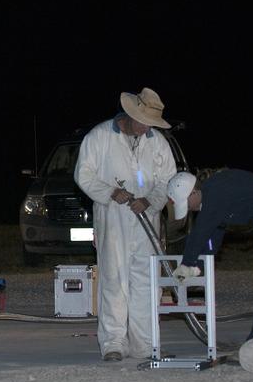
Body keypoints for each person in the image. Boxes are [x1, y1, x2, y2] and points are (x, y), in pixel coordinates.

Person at [73, 87, 177, 361]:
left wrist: (151, 200)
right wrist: (110, 192)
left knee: (146, 282)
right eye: (144, 122)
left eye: (151, 124)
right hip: (113, 217)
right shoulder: (100, 137)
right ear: (130, 115)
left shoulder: (157, 142)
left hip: (147, 220)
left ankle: (146, 345)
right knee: (113, 279)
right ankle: (113, 344)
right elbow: (84, 174)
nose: (147, 129)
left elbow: (168, 179)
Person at [167, 169, 253, 340]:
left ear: (193, 192)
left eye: (186, 203)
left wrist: (186, 264)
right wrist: (198, 267)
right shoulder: (214, 196)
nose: (189, 208)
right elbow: (212, 240)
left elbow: (199, 233)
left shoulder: (215, 194)